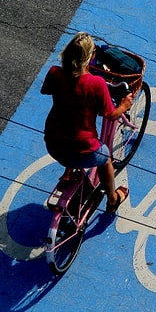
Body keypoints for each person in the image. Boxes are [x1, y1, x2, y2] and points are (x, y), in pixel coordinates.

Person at [41, 31, 134, 213]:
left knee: (69, 126)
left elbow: (46, 90)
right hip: (83, 151)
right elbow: (110, 114)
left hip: (53, 144)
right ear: (90, 57)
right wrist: (124, 105)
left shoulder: (55, 73)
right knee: (105, 159)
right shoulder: (96, 84)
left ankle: (68, 173)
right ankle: (113, 199)